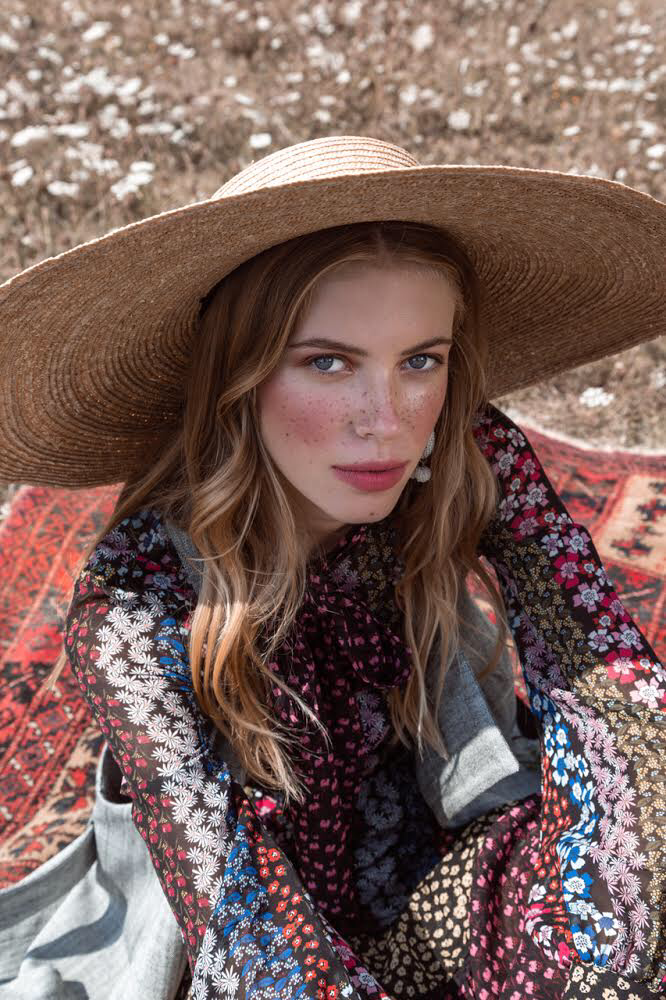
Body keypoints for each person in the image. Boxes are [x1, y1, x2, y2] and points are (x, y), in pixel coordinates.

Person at [0, 136, 664, 1000]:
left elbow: (610, 681)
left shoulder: (454, 452)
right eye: (327, 361)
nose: (386, 421)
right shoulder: (134, 604)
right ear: (238, 376)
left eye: (420, 360)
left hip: (433, 890)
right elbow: (240, 922)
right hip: (262, 946)